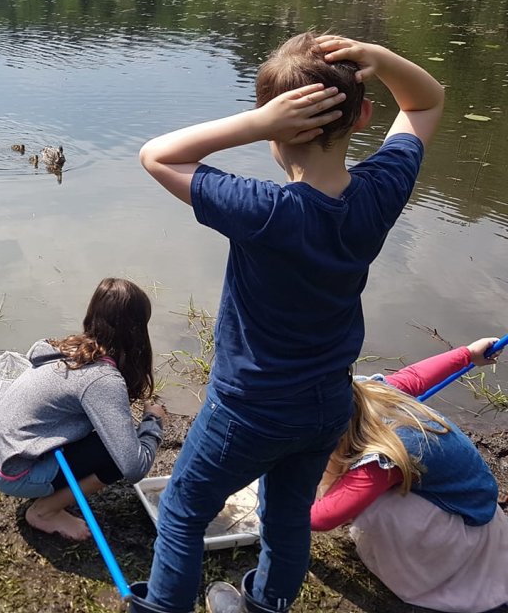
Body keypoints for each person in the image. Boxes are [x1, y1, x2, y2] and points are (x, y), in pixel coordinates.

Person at [136, 33, 445, 613]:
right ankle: (267, 602)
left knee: (183, 510)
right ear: (364, 117)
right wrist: (380, 57)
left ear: (276, 128)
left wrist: (255, 124)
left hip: (247, 410)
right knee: (285, 514)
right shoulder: (378, 194)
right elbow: (425, 103)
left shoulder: (263, 211)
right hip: (327, 404)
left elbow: (158, 155)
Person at [311, 339, 508, 613]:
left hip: (461, 533)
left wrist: (272, 504)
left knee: (376, 510)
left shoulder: (385, 458)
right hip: (472, 506)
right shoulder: (371, 394)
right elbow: (415, 376)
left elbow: (323, 518)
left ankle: (427, 578)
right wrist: (467, 355)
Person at [0, 278, 165, 540]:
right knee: (116, 454)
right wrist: (152, 423)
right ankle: (45, 512)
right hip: (15, 473)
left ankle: (47, 491)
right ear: (136, 332)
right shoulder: (102, 379)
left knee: (110, 439)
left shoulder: (67, 350)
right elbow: (134, 467)